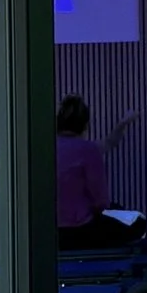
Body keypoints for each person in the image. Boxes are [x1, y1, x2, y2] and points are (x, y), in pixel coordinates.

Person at [55, 95, 115, 244]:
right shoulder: (89, 150)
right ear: (85, 124)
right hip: (79, 228)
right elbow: (100, 200)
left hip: (50, 228)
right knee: (136, 221)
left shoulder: (46, 147)